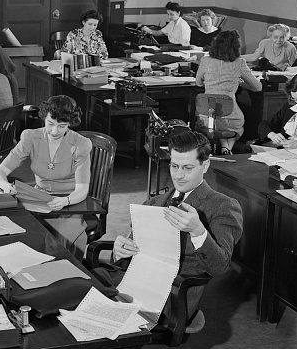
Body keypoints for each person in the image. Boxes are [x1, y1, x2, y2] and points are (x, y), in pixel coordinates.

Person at [95, 129, 244, 334]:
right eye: (174, 166)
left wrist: (198, 231)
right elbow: (128, 252)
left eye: (188, 167)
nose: (179, 175)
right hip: (133, 279)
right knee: (78, 286)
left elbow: (219, 267)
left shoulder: (223, 206)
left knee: (95, 312)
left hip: (171, 296)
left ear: (205, 165)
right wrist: (120, 251)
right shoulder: (155, 202)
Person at [0, 95, 94, 254]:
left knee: (60, 241)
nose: (55, 131)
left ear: (69, 124)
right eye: (50, 124)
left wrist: (65, 201)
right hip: (38, 198)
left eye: (62, 126)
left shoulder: (81, 144)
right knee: (17, 231)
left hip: (70, 201)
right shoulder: (30, 137)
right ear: (43, 119)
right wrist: (6, 186)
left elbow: (82, 190)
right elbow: (0, 173)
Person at [194, 29, 262, 151]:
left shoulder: (205, 60)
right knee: (231, 127)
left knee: (219, 126)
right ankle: (226, 149)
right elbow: (258, 87)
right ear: (236, 47)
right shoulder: (239, 62)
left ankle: (225, 148)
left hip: (206, 117)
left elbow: (198, 83)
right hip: (230, 117)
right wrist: (240, 83)